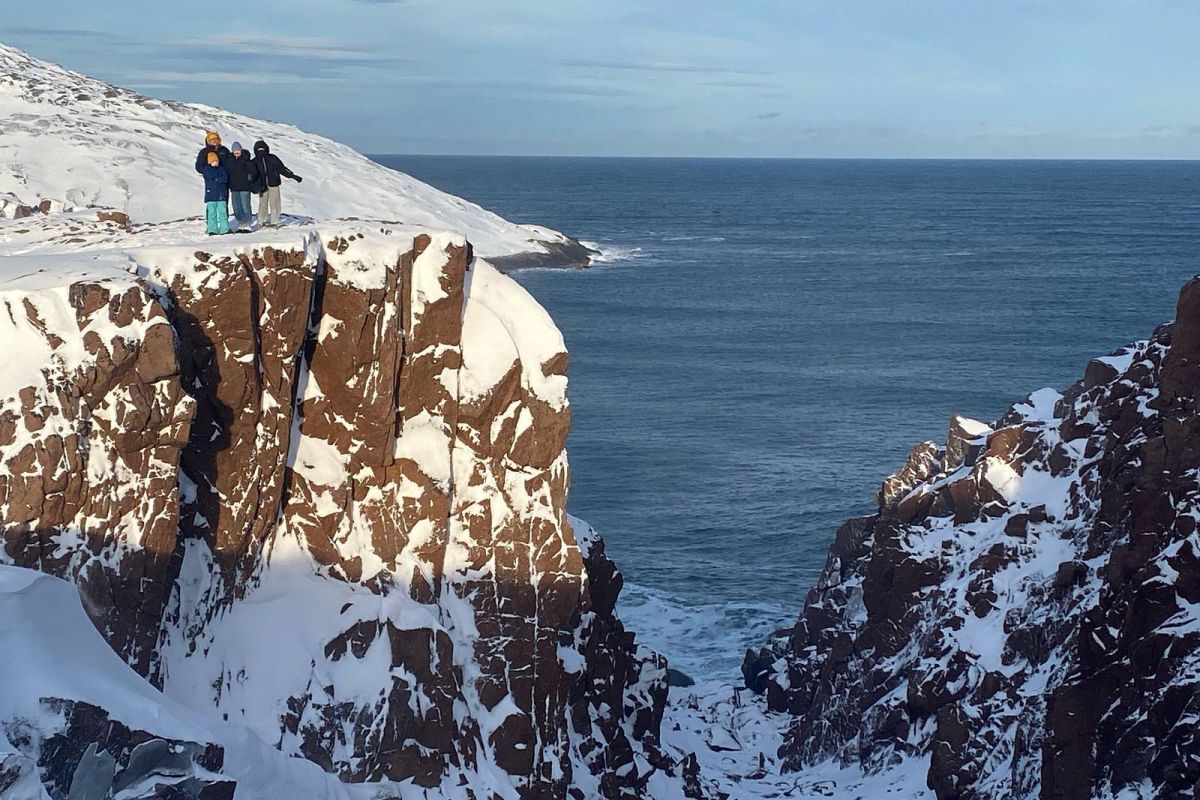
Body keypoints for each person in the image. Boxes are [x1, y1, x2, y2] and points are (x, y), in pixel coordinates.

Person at [252, 139, 302, 228]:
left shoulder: (272, 158)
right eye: (259, 149)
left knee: (275, 203)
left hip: (273, 184)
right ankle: (262, 221)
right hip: (262, 186)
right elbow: (251, 173)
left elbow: (282, 169)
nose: (261, 151)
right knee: (263, 204)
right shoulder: (254, 161)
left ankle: (274, 221)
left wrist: (293, 176)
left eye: (262, 149)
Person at [225, 142, 260, 233]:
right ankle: (240, 223)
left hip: (245, 187)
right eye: (235, 150)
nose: (236, 152)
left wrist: (250, 177)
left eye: (238, 150)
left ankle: (247, 223)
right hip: (234, 187)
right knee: (236, 206)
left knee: (245, 206)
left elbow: (253, 171)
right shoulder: (229, 161)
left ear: (241, 150)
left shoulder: (246, 159)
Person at [199, 151, 230, 235]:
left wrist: (217, 179)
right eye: (213, 161)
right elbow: (210, 177)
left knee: (223, 213)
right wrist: (218, 179)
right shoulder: (207, 169)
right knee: (212, 213)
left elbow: (225, 178)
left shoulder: (222, 168)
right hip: (211, 196)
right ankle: (212, 229)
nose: (215, 162)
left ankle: (225, 229)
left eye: (216, 161)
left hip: (221, 195)